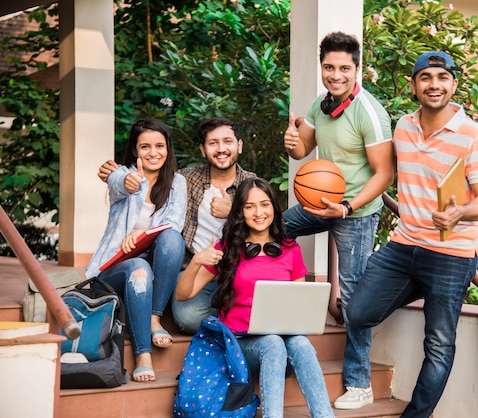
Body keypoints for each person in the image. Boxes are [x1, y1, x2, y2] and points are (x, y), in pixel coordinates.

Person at [346, 51, 478, 417]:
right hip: (404, 246)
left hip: (452, 253)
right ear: (414, 86)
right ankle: (418, 283)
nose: (434, 85)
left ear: (454, 85)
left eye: (442, 78)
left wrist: (460, 211)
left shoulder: (474, 137)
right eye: (426, 78)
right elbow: (375, 162)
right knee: (357, 311)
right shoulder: (402, 127)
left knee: (439, 346)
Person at [282, 31, 395, 409]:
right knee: (274, 228)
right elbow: (304, 149)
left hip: (356, 212)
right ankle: (272, 313)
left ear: (357, 69)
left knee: (353, 299)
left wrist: (346, 207)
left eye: (344, 67)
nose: (336, 74)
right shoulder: (321, 104)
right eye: (329, 67)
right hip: (319, 202)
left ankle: (360, 384)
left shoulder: (371, 113)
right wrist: (291, 140)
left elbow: (383, 175)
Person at [175, 177, 334, 418]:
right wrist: (197, 260)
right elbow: (183, 294)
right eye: (250, 207)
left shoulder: (290, 248)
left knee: (299, 343)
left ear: (273, 208)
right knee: (272, 343)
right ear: (240, 212)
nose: (258, 212)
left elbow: (297, 307)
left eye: (264, 204)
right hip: (240, 348)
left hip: (281, 349)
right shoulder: (226, 248)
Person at [98, 117, 256, 334]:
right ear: (203, 149)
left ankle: (233, 318)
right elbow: (148, 179)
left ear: (239, 145)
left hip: (238, 269)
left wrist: (234, 212)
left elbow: (269, 227)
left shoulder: (252, 185)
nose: (221, 149)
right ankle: (237, 319)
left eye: (227, 141)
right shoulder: (185, 179)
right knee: (188, 318)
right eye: (212, 143)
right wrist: (113, 174)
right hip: (194, 268)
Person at [86, 118, 187, 382]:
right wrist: (130, 181)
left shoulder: (178, 183)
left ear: (168, 149)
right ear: (135, 150)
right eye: (145, 147)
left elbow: (174, 221)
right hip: (113, 271)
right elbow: (121, 182)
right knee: (139, 267)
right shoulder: (124, 175)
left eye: (159, 146)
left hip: (153, 268)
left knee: (173, 237)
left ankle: (154, 318)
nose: (153, 153)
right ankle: (143, 355)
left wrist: (142, 234)